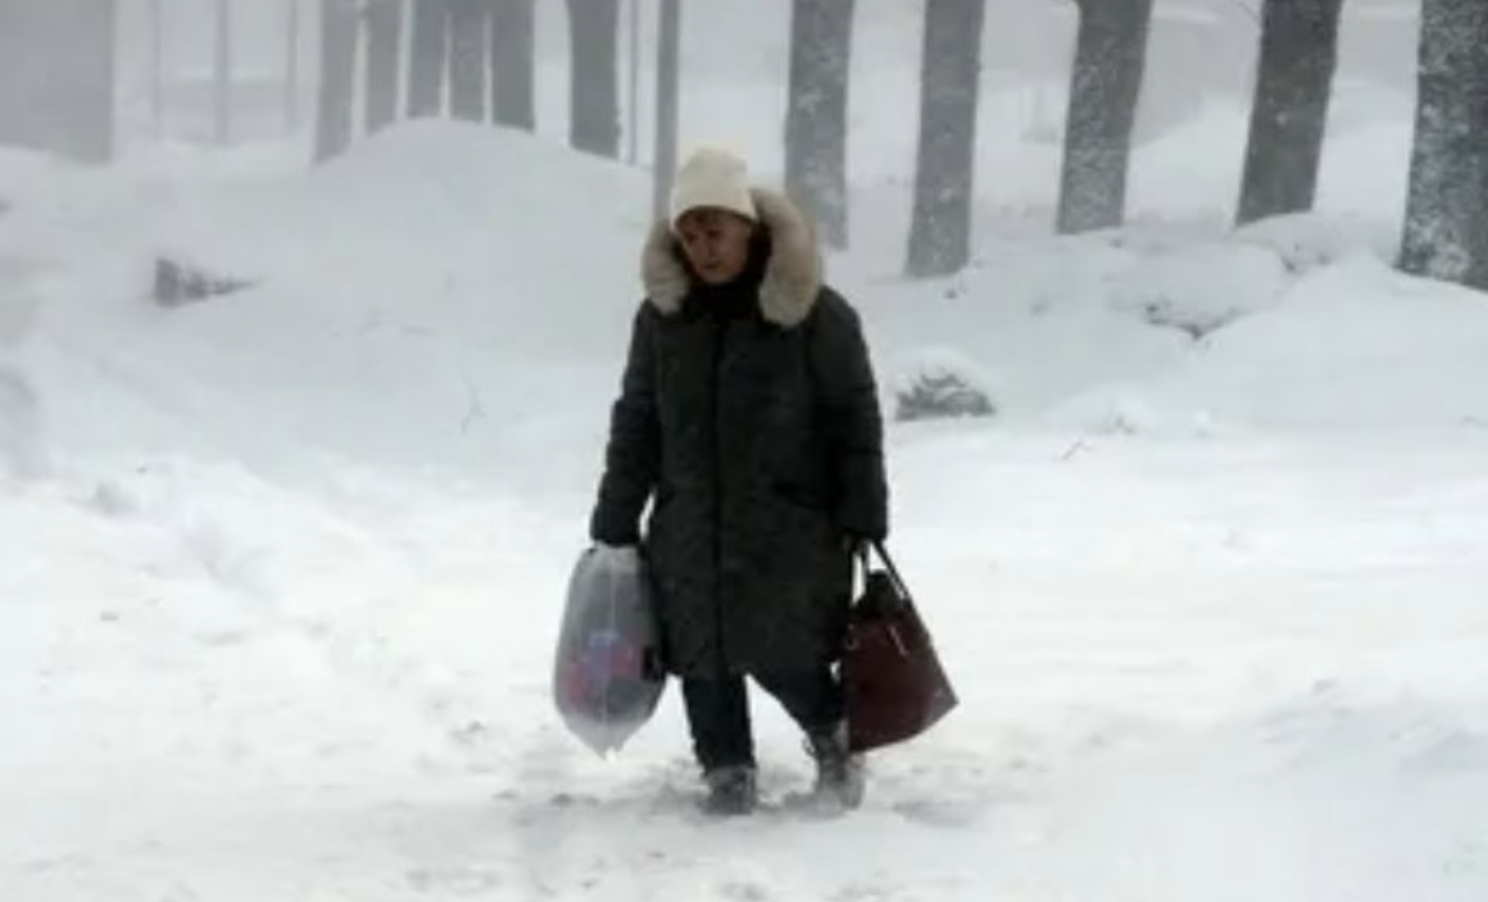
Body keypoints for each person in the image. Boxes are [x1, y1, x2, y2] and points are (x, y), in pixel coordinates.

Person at [589, 147, 889, 815]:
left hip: (790, 520)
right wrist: (616, 512)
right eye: (689, 235)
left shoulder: (813, 311)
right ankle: (725, 771)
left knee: (789, 650)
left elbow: (853, 414)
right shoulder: (663, 318)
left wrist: (863, 505)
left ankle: (834, 735)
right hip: (688, 520)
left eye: (714, 231)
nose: (703, 249)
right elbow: (638, 416)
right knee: (701, 653)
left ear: (747, 226)